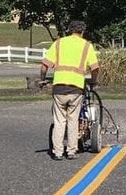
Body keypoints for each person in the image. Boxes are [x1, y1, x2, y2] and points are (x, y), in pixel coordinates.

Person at [39, 20, 100, 161]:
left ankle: (58, 152)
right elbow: (95, 67)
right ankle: (72, 151)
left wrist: (42, 79)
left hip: (59, 88)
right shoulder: (86, 46)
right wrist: (93, 80)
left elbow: (44, 65)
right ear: (82, 31)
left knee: (59, 121)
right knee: (73, 120)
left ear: (69, 30)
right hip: (76, 88)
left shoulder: (59, 43)